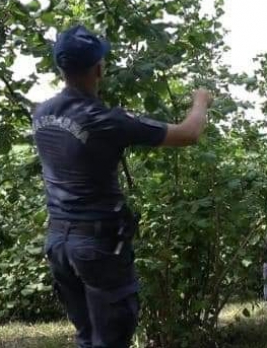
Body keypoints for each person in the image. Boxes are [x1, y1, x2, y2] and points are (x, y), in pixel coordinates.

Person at [32, 25, 213, 348]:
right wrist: (200, 101)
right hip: (97, 246)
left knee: (87, 336)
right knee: (111, 337)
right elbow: (189, 133)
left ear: (61, 67)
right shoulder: (105, 120)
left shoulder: (41, 113)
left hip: (59, 241)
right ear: (99, 68)